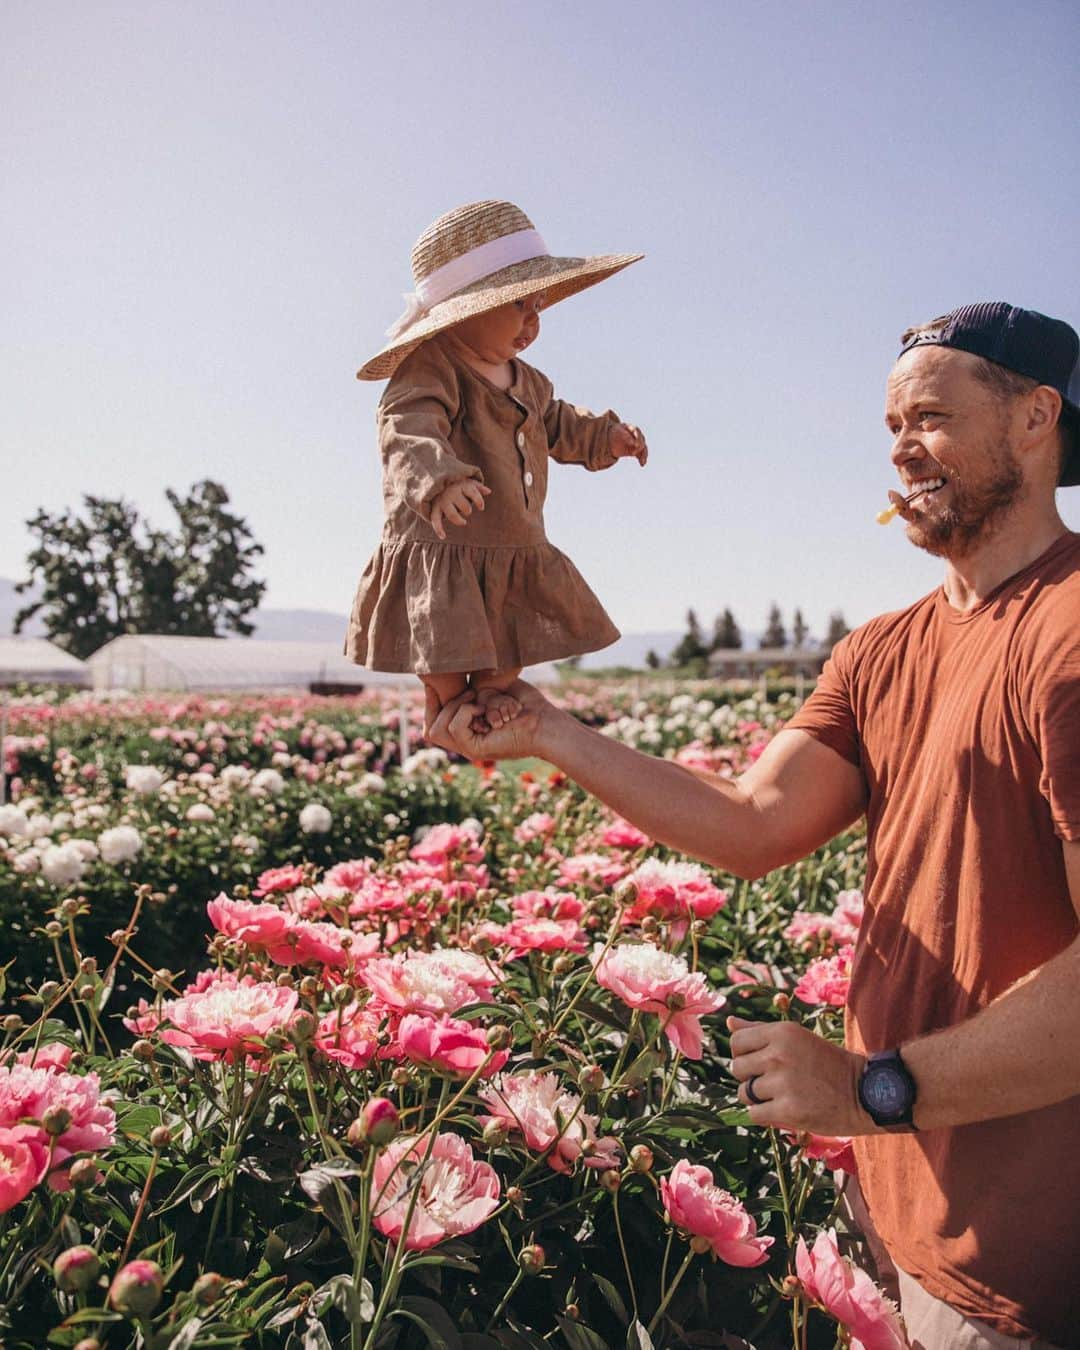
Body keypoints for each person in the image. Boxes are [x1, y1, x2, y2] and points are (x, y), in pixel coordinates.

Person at [425, 302, 1080, 1349]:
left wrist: (874, 1087)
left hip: (1024, 1253)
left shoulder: (1069, 631)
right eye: (890, 428)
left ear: (1038, 416)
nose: (902, 449)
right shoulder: (883, 651)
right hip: (895, 1201)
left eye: (931, 418)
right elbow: (752, 820)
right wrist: (549, 730)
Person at [344, 198, 648, 729]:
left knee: (509, 640)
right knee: (443, 640)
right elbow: (405, 427)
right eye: (518, 307)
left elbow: (557, 423)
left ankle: (490, 693)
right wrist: (438, 480)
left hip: (512, 539)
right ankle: (445, 696)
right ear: (467, 308)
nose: (532, 322)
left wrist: (607, 436)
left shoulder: (530, 381)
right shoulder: (431, 368)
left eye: (538, 307)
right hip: (447, 539)